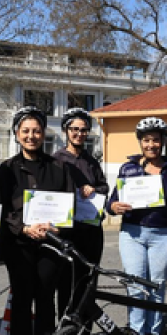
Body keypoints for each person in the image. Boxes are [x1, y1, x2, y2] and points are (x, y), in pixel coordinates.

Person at [0, 106, 74, 335]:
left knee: (45, 297)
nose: (31, 136)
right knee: (21, 299)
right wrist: (24, 228)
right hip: (19, 245)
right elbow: (2, 208)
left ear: (44, 134)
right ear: (17, 134)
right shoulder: (6, 169)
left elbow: (68, 204)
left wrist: (57, 227)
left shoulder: (58, 167)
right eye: (26, 131)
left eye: (36, 131)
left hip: (50, 243)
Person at [107, 117, 167, 335]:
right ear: (140, 142)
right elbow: (112, 202)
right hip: (132, 233)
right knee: (135, 285)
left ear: (163, 141)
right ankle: (137, 333)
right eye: (146, 140)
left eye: (156, 140)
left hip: (163, 234)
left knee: (157, 287)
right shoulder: (128, 168)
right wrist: (113, 206)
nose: (151, 145)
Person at [53, 108, 109, 319]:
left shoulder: (91, 161)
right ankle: (65, 331)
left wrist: (94, 190)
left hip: (91, 230)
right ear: (66, 131)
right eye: (74, 129)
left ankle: (83, 333)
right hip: (67, 232)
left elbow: (104, 188)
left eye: (84, 130)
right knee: (66, 284)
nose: (79, 133)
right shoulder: (56, 160)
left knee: (88, 282)